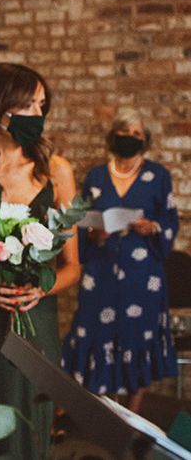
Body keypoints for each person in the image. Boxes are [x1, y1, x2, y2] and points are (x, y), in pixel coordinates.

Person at [0, 62, 80, 460]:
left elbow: (72, 268)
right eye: (28, 106)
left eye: (42, 106)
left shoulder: (57, 172)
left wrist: (39, 288)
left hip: (35, 327)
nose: (37, 116)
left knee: (31, 433)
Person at [62, 107, 178, 412]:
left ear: (146, 139)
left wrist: (152, 226)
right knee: (93, 334)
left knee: (137, 338)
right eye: (124, 133)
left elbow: (169, 220)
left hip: (143, 275)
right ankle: (101, 407)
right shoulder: (97, 176)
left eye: (137, 133)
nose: (130, 138)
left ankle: (133, 412)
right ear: (114, 137)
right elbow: (83, 222)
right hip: (100, 274)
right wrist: (94, 234)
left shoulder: (158, 176)